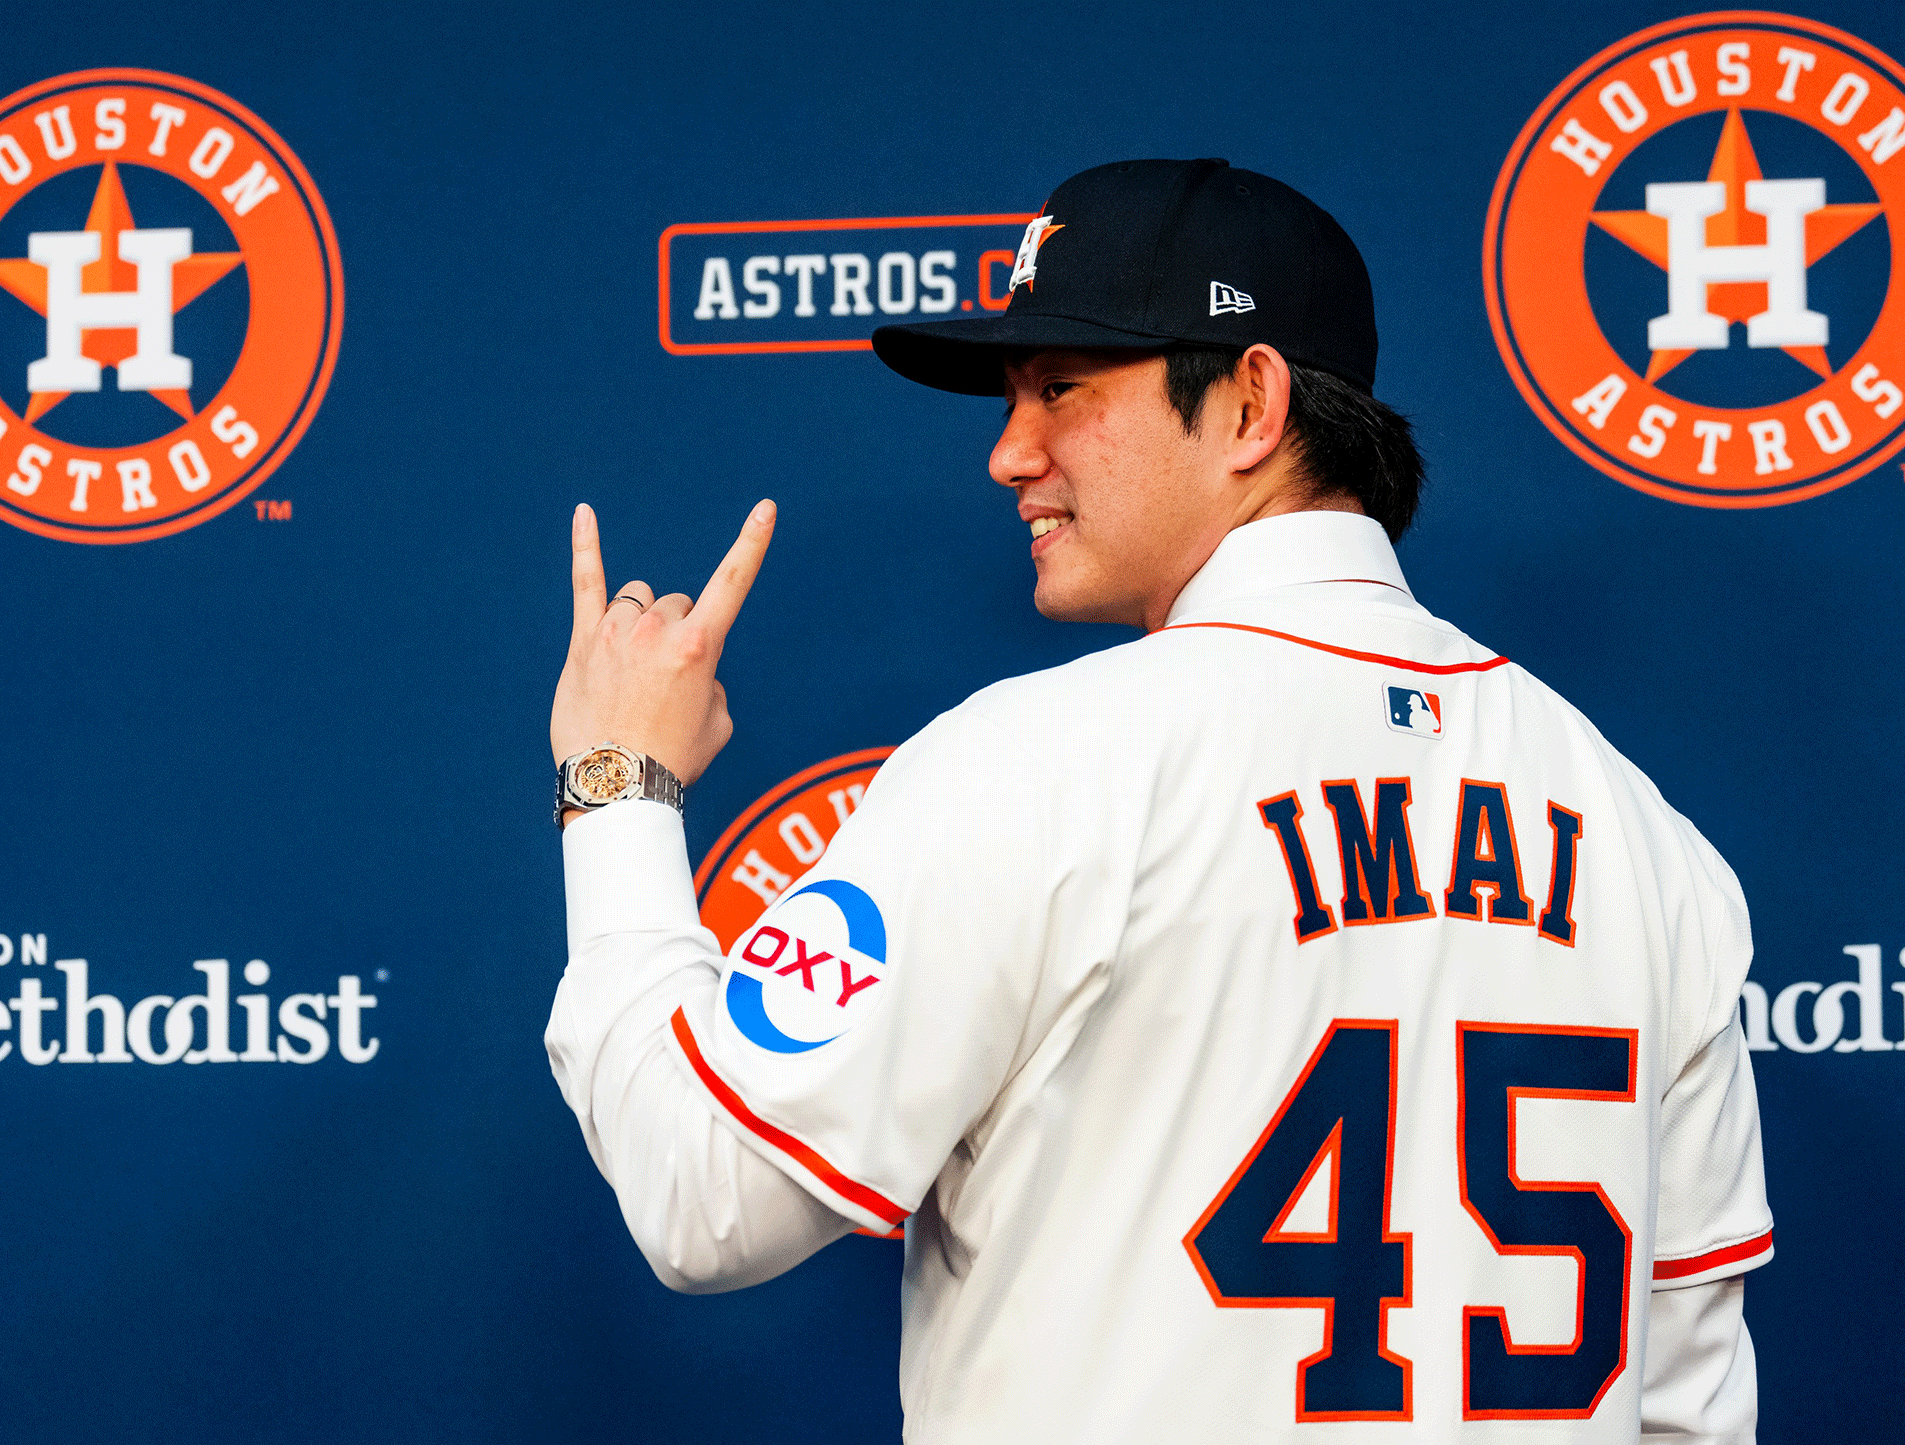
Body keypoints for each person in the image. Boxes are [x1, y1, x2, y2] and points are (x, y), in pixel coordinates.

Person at [546, 159, 1770, 1442]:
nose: (1008, 452)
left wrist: (619, 782)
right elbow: (1684, 1403)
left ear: (1251, 402)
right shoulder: (1647, 840)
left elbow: (706, 1189)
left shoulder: (1046, 760)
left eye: (1062, 386)